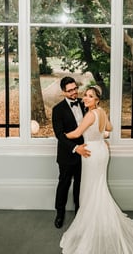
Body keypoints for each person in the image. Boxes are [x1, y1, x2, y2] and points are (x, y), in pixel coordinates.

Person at [60, 85, 133, 254]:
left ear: (96, 99)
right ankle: (101, 223)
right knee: (98, 187)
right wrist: (100, 137)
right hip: (101, 150)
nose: (85, 98)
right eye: (85, 95)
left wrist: (60, 136)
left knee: (91, 188)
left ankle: (94, 226)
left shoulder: (90, 114)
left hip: (91, 153)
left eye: (90, 96)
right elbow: (109, 129)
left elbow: (76, 134)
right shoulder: (102, 112)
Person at [52, 76, 91, 229]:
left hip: (86, 153)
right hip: (67, 155)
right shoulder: (58, 110)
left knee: (80, 186)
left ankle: (79, 215)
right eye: (70, 91)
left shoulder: (84, 103)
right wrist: (76, 148)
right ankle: (59, 214)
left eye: (75, 88)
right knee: (64, 184)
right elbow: (59, 135)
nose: (74, 92)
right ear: (63, 92)